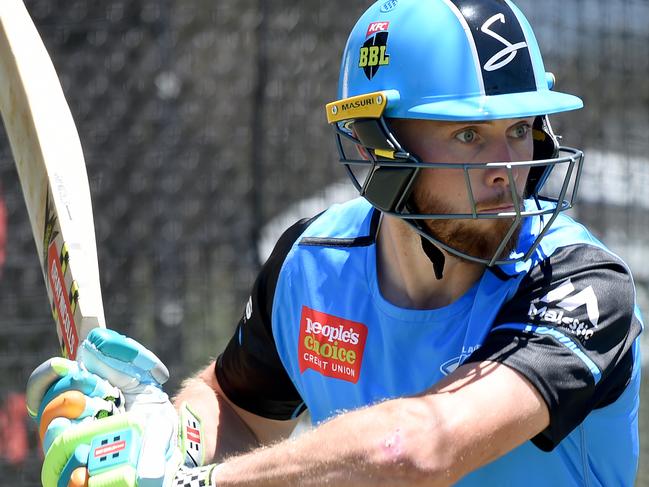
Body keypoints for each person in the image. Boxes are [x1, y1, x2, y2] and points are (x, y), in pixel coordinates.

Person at [26, 0, 642, 485]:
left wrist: (197, 484)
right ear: (381, 143)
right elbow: (237, 412)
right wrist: (161, 437)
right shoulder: (311, 264)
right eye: (467, 135)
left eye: (518, 129)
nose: (507, 166)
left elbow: (421, 449)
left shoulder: (579, 284)